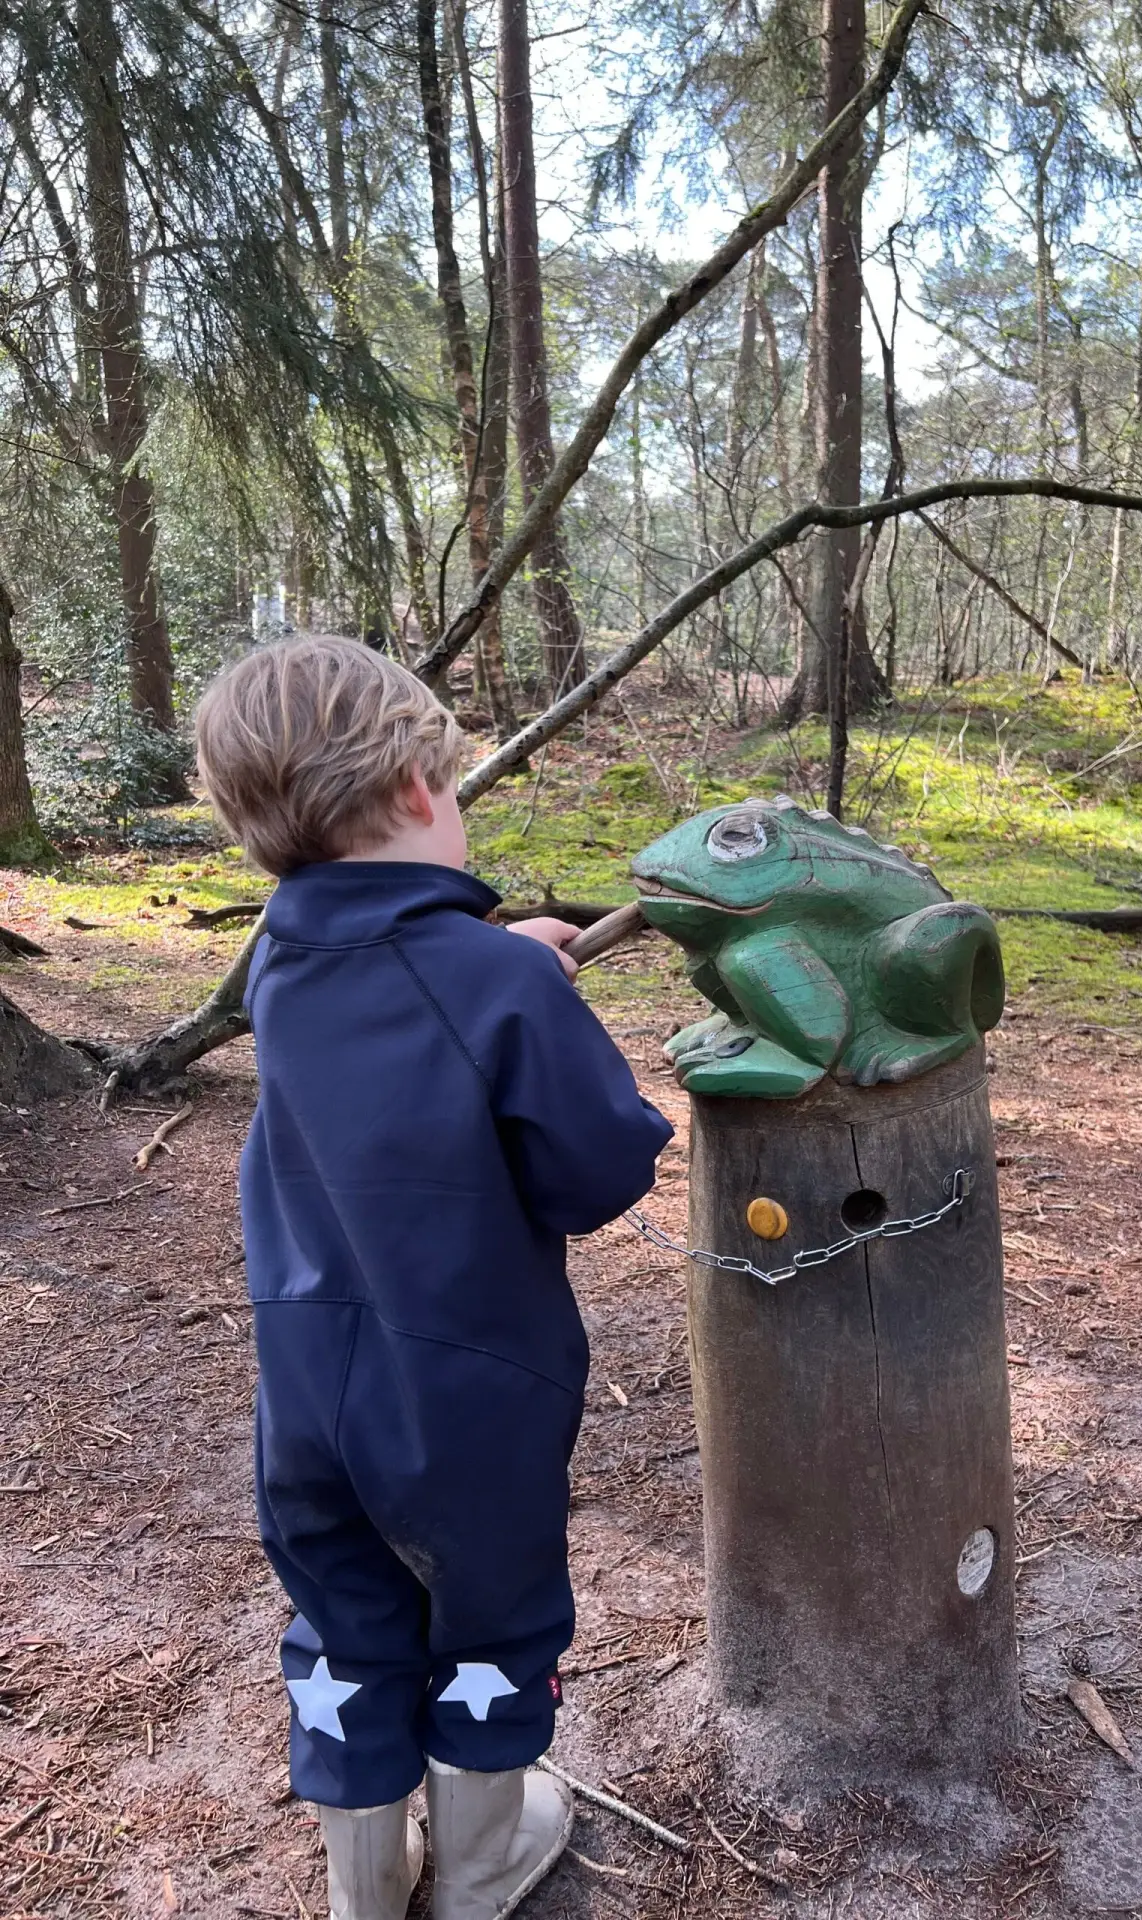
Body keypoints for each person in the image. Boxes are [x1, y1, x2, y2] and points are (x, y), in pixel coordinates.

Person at [195, 638, 674, 1920]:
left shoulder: (281, 964)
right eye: (454, 789)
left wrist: (504, 967)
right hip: (468, 1403)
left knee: (345, 1618)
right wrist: (525, 986)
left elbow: (394, 985)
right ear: (417, 787)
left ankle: (366, 1887)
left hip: (304, 1394)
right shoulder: (499, 982)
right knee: (493, 1623)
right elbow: (595, 1173)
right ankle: (479, 1868)